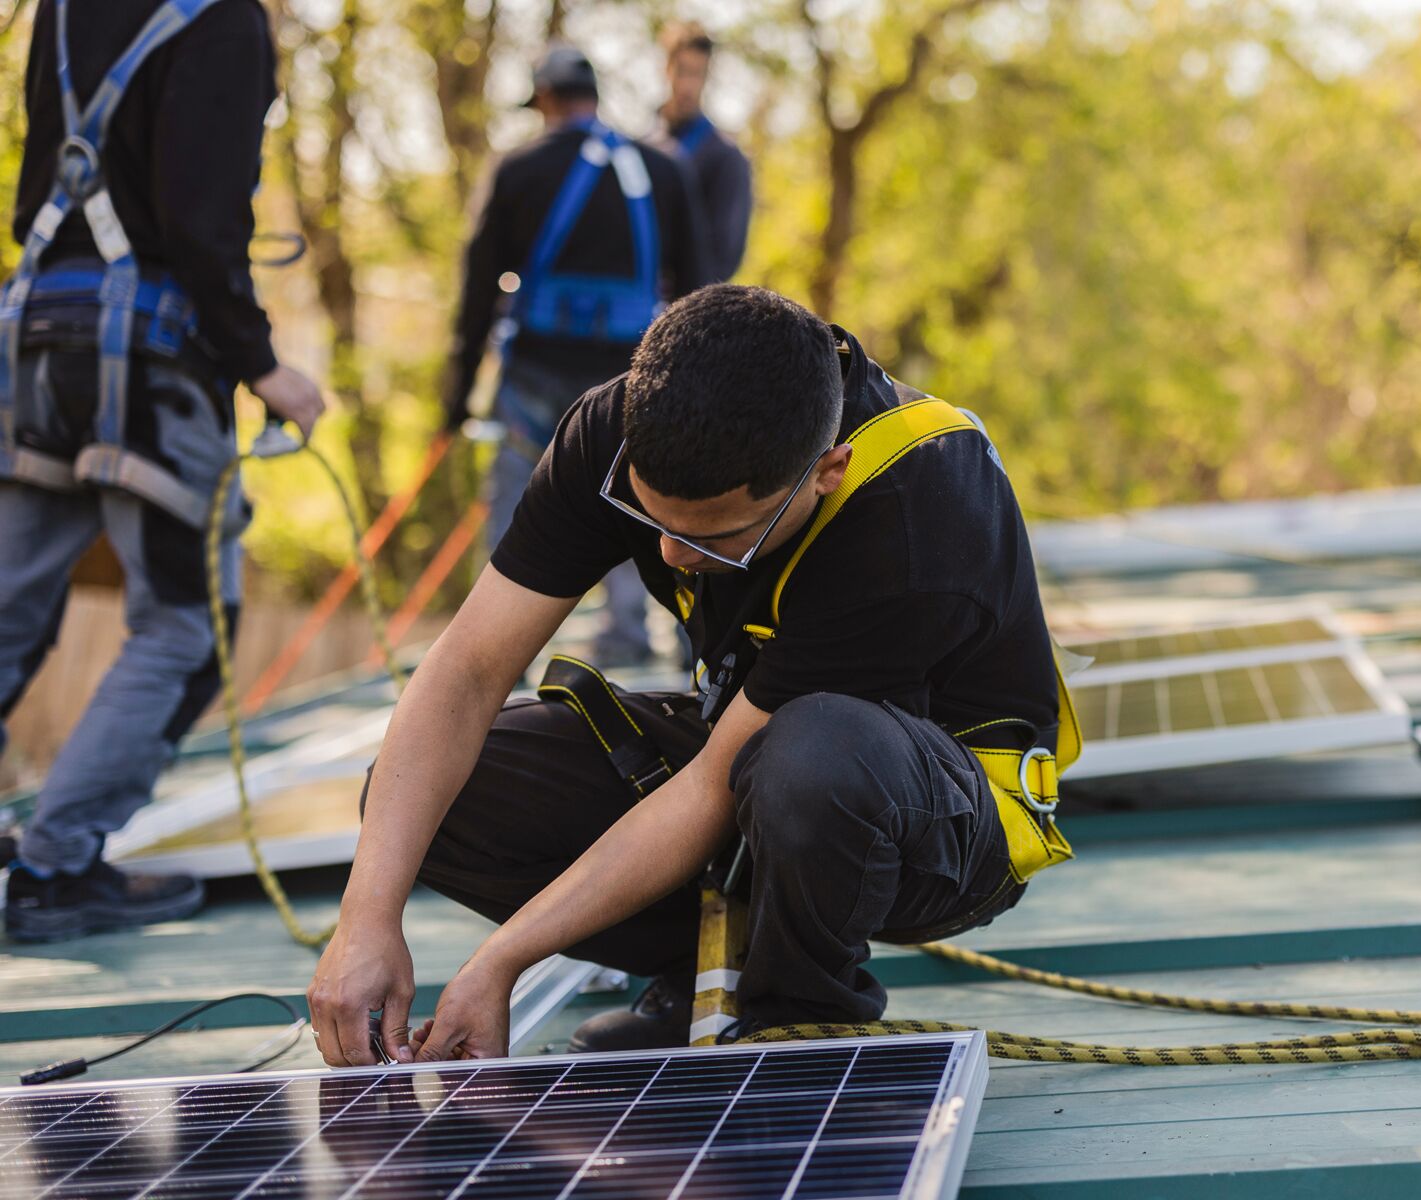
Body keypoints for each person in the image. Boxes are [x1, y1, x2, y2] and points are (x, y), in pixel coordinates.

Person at [308, 284, 1078, 1066]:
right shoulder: (614, 431)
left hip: (940, 820)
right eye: (654, 522)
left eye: (718, 538)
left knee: (814, 756)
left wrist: (501, 960)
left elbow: (719, 783)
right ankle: (704, 969)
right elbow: (467, 671)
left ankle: (801, 1021)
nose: (674, 557)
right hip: (755, 760)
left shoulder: (920, 511)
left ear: (827, 472)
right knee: (426, 799)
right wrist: (367, 919)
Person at [0, 0, 324, 942]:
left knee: (10, 607)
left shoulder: (60, 11)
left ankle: (54, 851)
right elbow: (198, 220)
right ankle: (57, 867)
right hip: (146, 361)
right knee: (188, 624)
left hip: (36, 342)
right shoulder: (219, 19)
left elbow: (35, 200)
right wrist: (259, 362)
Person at [441, 44, 710, 668]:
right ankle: (632, 631)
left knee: (516, 494)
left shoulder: (519, 168)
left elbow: (477, 290)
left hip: (536, 369)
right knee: (631, 490)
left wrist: (454, 399)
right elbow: (701, 283)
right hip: (628, 369)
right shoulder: (660, 170)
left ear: (545, 101)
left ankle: (494, 648)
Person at [648, 22, 752, 284]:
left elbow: (723, 260)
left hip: (688, 309)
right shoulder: (643, 150)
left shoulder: (726, 158)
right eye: (681, 71)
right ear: (666, 69)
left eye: (697, 74)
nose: (687, 85)